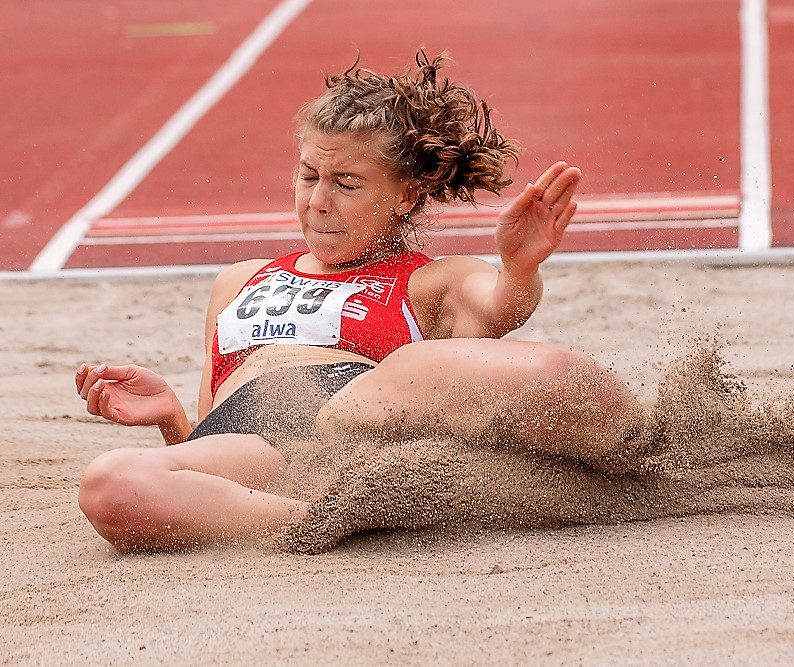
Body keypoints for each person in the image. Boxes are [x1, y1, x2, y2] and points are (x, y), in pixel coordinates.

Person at [75, 52, 648, 553]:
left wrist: (520, 268)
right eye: (307, 176)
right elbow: (205, 451)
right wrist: (174, 418)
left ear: (405, 196)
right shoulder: (238, 281)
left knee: (553, 374)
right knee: (112, 484)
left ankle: (661, 458)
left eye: (346, 183)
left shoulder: (431, 282)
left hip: (362, 407)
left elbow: (500, 307)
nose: (318, 202)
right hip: (258, 443)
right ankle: (335, 516)